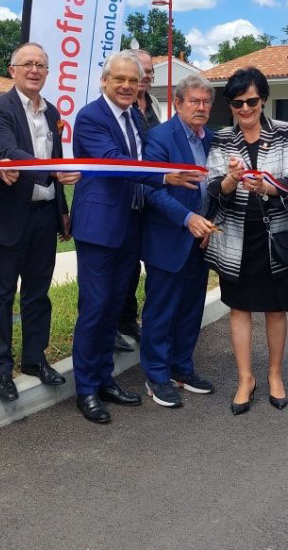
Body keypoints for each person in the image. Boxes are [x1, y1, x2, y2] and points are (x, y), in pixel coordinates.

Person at [69, 51, 204, 424]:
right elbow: (114, 162)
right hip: (99, 227)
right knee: (95, 308)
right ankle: (85, 390)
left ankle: (103, 379)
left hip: (131, 225)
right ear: (105, 81)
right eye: (120, 80)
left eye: (133, 80)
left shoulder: (136, 118)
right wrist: (164, 176)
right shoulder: (90, 118)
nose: (127, 86)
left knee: (113, 309)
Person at [0, 43, 80, 402]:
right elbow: (10, 152)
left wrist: (62, 209)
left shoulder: (52, 113)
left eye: (41, 65)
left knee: (38, 294)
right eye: (27, 64)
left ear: (47, 72)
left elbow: (55, 159)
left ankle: (35, 359)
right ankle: (1, 368)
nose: (34, 70)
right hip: (9, 218)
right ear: (12, 70)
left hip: (44, 215)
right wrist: (54, 170)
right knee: (2, 295)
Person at [204, 67, 288, 415]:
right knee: (240, 308)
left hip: (277, 236)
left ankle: (275, 375)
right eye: (237, 103)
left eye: (251, 101)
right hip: (238, 237)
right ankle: (245, 378)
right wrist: (232, 180)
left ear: (263, 99)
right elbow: (214, 187)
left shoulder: (285, 133)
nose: (245, 109)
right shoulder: (221, 139)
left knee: (276, 309)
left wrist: (267, 186)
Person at [139, 74, 219, 408]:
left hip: (202, 239)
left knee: (190, 309)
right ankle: (156, 375)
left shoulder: (211, 139)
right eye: (194, 101)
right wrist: (188, 220)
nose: (201, 108)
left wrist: (209, 221)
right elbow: (148, 188)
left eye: (206, 102)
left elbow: (214, 186)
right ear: (178, 103)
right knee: (161, 309)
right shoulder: (159, 137)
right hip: (169, 238)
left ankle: (182, 368)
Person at [114, 47, 162, 353]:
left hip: (150, 200)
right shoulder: (121, 107)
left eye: (148, 73)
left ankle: (129, 319)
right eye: (138, 72)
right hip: (124, 198)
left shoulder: (153, 105)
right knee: (119, 269)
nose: (143, 78)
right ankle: (114, 323)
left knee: (138, 264)